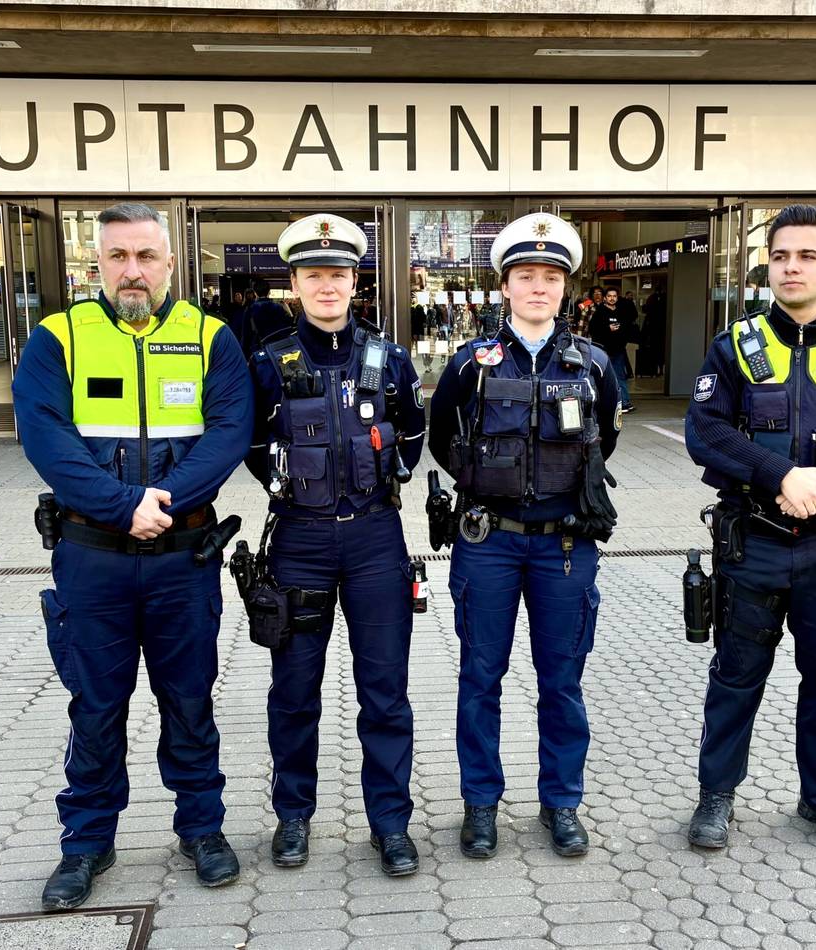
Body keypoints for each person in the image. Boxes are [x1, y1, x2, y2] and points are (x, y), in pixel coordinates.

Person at [12, 203, 254, 910]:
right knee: (95, 706)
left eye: (146, 257)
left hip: (183, 555)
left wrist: (165, 501)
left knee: (188, 701)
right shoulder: (58, 338)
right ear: (98, 264)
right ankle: (86, 844)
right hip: (94, 558)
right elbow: (45, 438)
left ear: (171, 263)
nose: (132, 271)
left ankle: (202, 829)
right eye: (118, 257)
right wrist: (124, 507)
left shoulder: (211, 337)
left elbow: (228, 432)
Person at [685, 204, 816, 852]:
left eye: (806, 255)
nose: (791, 266)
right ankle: (716, 797)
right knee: (735, 675)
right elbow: (705, 432)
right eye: (779, 256)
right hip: (756, 542)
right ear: (766, 265)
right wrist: (780, 475)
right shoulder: (735, 345)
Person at [428, 213, 621, 860]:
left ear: (565, 288)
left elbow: (607, 441)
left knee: (562, 681)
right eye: (525, 276)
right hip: (489, 542)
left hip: (566, 545)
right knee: (480, 677)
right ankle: (481, 805)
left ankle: (561, 804)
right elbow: (441, 441)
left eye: (550, 277)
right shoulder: (470, 365)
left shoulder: (592, 364)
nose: (538, 287)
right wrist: (493, 486)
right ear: (504, 286)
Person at [246, 213, 426, 876]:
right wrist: (285, 483)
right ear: (294, 282)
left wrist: (386, 478)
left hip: (377, 538)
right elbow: (250, 443)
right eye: (314, 274)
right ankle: (293, 816)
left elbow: (411, 431)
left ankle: (390, 823)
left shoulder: (388, 358)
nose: (328, 285)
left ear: (356, 281)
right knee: (294, 689)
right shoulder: (268, 363)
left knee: (385, 690)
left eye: (339, 274)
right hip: (300, 541)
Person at [590, 287, 637, 413]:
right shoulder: (600, 312)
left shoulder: (621, 312)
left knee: (620, 376)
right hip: (603, 351)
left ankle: (624, 402)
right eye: (609, 296)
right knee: (603, 377)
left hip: (618, 350)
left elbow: (628, 328)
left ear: (617, 297)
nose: (612, 298)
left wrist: (622, 337)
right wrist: (607, 328)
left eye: (614, 296)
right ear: (605, 298)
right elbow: (593, 330)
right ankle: (603, 403)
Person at [241, 276, 293, 358]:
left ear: (255, 293)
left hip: (258, 349)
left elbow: (246, 334)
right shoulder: (278, 307)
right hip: (278, 348)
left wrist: (245, 353)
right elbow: (288, 326)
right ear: (269, 292)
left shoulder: (250, 309)